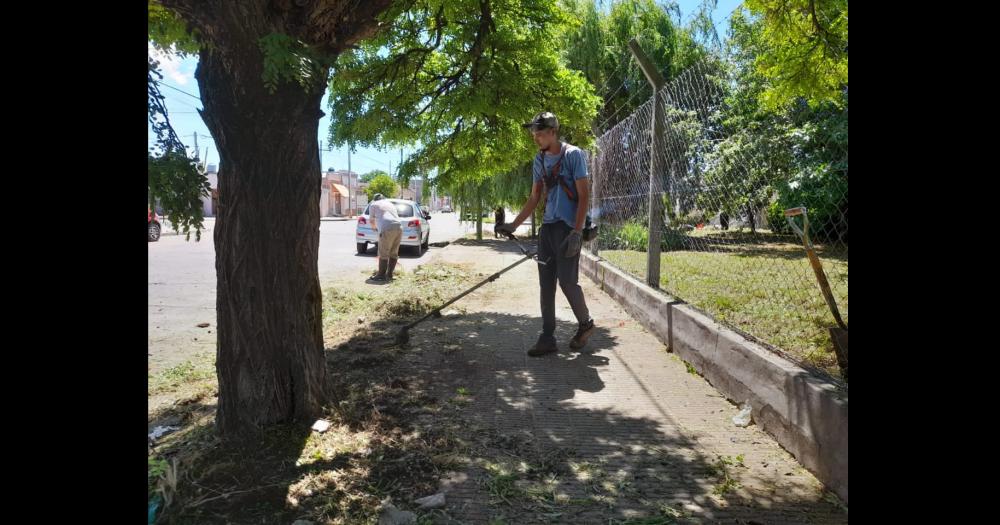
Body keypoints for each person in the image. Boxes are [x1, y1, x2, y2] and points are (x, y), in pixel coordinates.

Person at [495, 112, 595, 356]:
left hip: (568, 228)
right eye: (534, 135)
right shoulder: (539, 161)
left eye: (540, 134)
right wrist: (513, 225)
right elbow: (534, 197)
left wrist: (577, 232)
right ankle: (548, 336)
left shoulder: (573, 155)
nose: (536, 138)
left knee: (567, 282)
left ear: (553, 132)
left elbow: (584, 195)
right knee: (545, 284)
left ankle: (586, 324)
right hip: (548, 228)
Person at [368, 194, 402, 282]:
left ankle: (381, 275)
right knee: (393, 252)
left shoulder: (373, 204)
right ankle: (389, 274)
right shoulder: (390, 204)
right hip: (399, 227)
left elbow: (371, 220)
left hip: (387, 228)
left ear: (374, 200)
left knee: (383, 252)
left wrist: (374, 228)